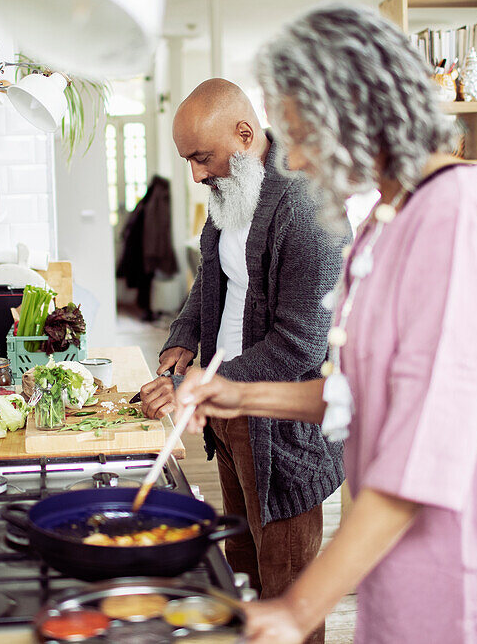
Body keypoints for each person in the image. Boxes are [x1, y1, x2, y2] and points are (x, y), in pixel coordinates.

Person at [177, 5, 477, 643]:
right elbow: (365, 394)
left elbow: (426, 443)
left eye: (303, 135)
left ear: (357, 111)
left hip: (476, 576)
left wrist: (296, 608)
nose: (298, 161)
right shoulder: (384, 221)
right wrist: (236, 392)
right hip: (404, 564)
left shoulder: (458, 217)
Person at [139, 78, 347, 643]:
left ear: (245, 134)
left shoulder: (306, 206)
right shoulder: (235, 190)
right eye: (188, 161)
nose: (197, 175)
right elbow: (215, 277)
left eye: (201, 158)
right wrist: (182, 341)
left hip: (281, 427)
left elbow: (301, 345)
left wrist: (207, 382)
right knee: (246, 573)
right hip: (228, 412)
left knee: (288, 591)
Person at [116, 175, 179, 322]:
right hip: (146, 248)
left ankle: (148, 310)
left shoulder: (155, 198)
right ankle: (147, 310)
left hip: (147, 247)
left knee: (146, 279)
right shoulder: (156, 198)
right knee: (145, 279)